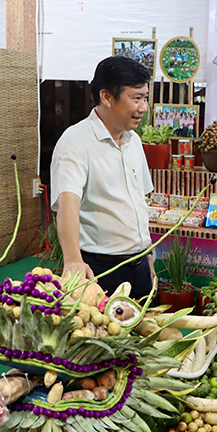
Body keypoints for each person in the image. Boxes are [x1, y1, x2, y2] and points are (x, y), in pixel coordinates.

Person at [50, 56, 156, 299]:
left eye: (145, 98)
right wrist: (73, 260)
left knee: (144, 323)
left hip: (140, 266)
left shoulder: (134, 140)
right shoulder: (75, 142)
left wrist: (148, 258)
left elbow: (139, 203)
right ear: (106, 96)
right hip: (102, 270)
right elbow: (68, 203)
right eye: (136, 98)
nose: (143, 108)